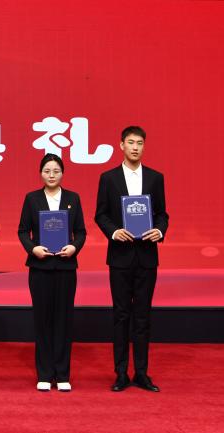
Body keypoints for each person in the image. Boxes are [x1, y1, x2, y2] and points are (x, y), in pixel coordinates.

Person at [95, 126, 169, 392]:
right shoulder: (109, 178)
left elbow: (162, 214)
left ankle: (141, 373)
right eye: (131, 142)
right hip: (120, 257)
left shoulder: (155, 178)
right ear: (121, 145)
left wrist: (159, 230)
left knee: (143, 316)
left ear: (144, 146)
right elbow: (101, 214)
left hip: (147, 256)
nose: (135, 147)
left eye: (139, 143)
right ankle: (120, 373)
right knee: (121, 315)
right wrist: (114, 232)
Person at [18, 154, 86, 392]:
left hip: (66, 267)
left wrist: (74, 247)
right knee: (43, 320)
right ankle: (45, 374)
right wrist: (33, 248)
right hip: (40, 268)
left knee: (64, 321)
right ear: (41, 173)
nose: (51, 175)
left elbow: (81, 231)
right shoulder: (32, 199)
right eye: (47, 171)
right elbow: (23, 231)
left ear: (62, 173)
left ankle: (63, 374)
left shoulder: (72, 198)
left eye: (56, 171)